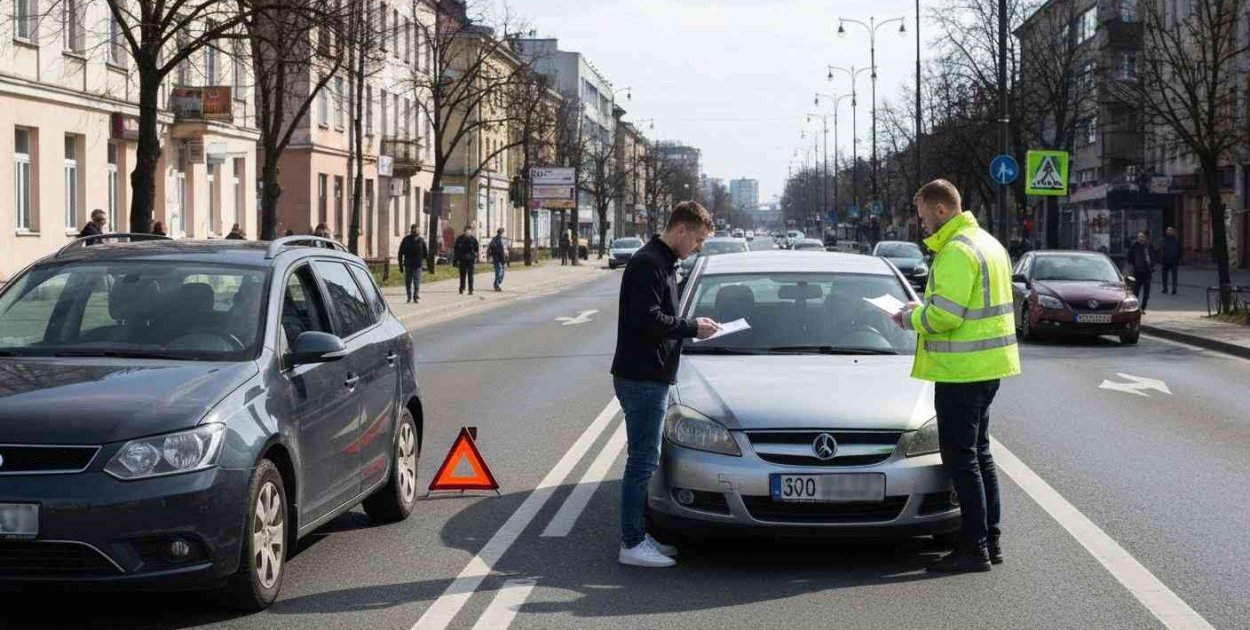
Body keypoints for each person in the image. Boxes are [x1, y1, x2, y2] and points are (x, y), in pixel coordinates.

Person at [891, 179, 1020, 574]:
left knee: (962, 460)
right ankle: (990, 539)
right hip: (988, 367)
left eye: (924, 216)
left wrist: (909, 316)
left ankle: (973, 548)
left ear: (941, 210)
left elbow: (945, 316)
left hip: (961, 371)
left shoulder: (956, 252)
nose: (923, 225)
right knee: (979, 455)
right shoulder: (988, 243)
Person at [611, 201, 721, 568]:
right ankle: (631, 542)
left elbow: (662, 315)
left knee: (645, 460)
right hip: (642, 375)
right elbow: (649, 320)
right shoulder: (648, 263)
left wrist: (690, 321)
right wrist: (692, 328)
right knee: (641, 462)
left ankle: (639, 534)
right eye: (698, 239)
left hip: (649, 373)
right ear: (681, 230)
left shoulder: (661, 261)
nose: (698, 246)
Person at [398, 224, 428, 303]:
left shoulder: (421, 240)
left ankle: (415, 296)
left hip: (418, 264)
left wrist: (424, 263)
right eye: (415, 230)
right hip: (408, 264)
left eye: (418, 230)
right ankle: (409, 296)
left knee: (417, 281)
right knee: (408, 281)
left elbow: (425, 253)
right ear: (411, 230)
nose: (416, 231)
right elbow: (400, 253)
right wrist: (400, 265)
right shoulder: (406, 240)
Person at [1126, 231, 1154, 313]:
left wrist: (1152, 266)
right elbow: (1129, 258)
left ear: (1145, 238)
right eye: (1139, 237)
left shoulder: (1148, 247)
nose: (1141, 238)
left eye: (1142, 237)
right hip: (1137, 273)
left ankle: (1143, 308)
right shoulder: (1134, 247)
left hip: (1147, 273)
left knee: (1146, 292)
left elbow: (1152, 256)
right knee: (1136, 292)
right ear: (1137, 238)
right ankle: (1135, 308)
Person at [454, 225, 479, 295]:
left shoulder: (473, 239)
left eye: (470, 231)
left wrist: (475, 256)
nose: (469, 232)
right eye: (467, 231)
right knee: (462, 275)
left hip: (470, 259)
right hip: (462, 259)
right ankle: (462, 288)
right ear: (464, 231)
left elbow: (476, 248)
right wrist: (456, 259)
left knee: (470, 275)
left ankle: (471, 290)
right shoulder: (460, 239)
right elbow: (456, 249)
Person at [1160, 226, 1180, 295]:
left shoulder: (1175, 240)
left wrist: (1177, 258)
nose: (1169, 232)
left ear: (1173, 232)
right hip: (1166, 260)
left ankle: (1173, 289)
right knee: (1165, 276)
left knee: (1173, 276)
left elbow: (1179, 250)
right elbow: (1161, 249)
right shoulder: (1164, 240)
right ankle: (1165, 288)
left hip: (1173, 261)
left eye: (1170, 231)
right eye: (1168, 231)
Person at [489, 227, 508, 292]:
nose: (503, 234)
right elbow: (491, 246)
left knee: (502, 272)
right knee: (499, 271)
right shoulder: (495, 240)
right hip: (497, 258)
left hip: (503, 258)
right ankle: (496, 284)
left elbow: (505, 249)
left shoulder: (503, 240)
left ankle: (497, 282)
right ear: (500, 233)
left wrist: (506, 255)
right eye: (502, 233)